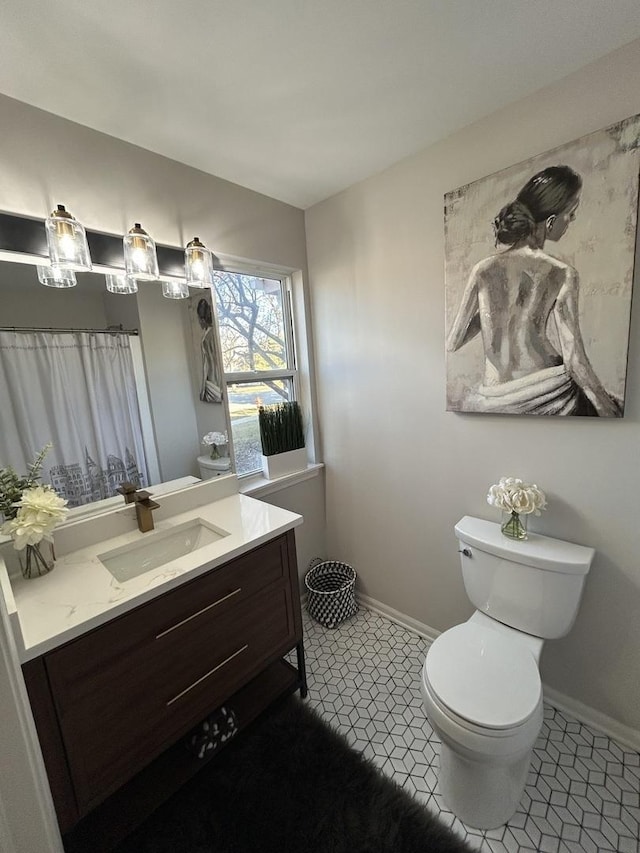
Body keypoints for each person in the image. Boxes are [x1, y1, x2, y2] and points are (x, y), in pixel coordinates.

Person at [447, 165, 622, 417]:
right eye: (571, 214)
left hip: (493, 396)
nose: (572, 221)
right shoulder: (562, 272)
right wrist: (609, 412)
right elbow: (574, 359)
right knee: (615, 406)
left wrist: (492, 314)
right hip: (549, 390)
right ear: (550, 222)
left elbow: (453, 342)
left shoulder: (482, 269)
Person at [197, 297, 222, 404]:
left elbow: (208, 363)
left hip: (213, 378)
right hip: (214, 377)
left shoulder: (209, 336)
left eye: (198, 319)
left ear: (202, 319)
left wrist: (204, 386)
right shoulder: (210, 334)